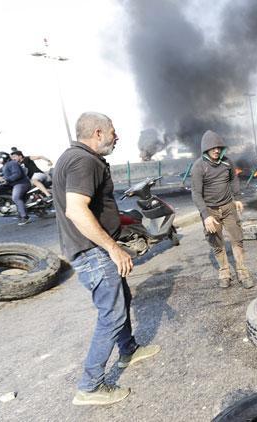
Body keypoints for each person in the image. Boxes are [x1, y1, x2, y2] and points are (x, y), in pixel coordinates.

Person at [53, 112, 160, 406]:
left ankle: (128, 349)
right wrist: (113, 248)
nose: (117, 136)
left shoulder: (73, 157)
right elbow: (76, 209)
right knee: (111, 315)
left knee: (121, 300)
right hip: (94, 252)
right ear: (98, 133)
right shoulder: (84, 161)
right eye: (113, 131)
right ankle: (90, 387)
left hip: (93, 249)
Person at [191, 130, 253, 289]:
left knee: (237, 238)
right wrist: (205, 216)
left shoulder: (227, 163)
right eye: (213, 148)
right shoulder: (199, 166)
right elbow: (196, 193)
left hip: (228, 207)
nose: (216, 150)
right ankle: (224, 271)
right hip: (210, 210)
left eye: (219, 147)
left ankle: (242, 271)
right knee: (216, 241)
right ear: (206, 149)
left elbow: (234, 180)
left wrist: (237, 198)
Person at [0, 151, 32, 225]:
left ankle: (25, 217)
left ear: (4, 157)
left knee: (16, 197)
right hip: (13, 184)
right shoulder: (5, 165)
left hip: (21, 183)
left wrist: (7, 179)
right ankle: (11, 208)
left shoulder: (12, 163)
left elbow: (17, 174)